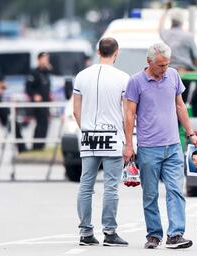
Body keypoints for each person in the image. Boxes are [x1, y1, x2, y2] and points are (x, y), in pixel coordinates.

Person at [124, 42, 197, 249]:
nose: (164, 69)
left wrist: (191, 133)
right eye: (160, 65)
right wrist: (129, 145)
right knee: (150, 194)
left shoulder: (173, 76)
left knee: (176, 190)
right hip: (149, 148)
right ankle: (153, 235)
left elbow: (180, 105)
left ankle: (175, 234)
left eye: (167, 64)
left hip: (173, 145)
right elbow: (129, 114)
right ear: (149, 62)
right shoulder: (135, 82)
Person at [73, 37, 129, 247]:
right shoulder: (123, 78)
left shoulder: (81, 76)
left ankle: (86, 232)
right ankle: (110, 231)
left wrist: (85, 129)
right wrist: (128, 138)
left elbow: (75, 110)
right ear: (117, 52)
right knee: (111, 186)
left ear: (98, 51)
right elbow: (126, 111)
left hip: (89, 136)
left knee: (86, 185)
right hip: (112, 136)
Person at [159, 5, 197, 102]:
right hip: (185, 73)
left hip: (168, 73)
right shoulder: (188, 36)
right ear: (182, 22)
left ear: (171, 21)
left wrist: (165, 11)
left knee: (170, 102)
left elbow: (160, 28)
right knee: (182, 102)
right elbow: (196, 56)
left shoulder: (166, 35)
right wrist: (196, 69)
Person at [26, 52, 52, 150]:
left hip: (46, 103)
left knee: (45, 124)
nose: (46, 61)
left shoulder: (47, 72)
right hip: (37, 104)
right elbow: (28, 88)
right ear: (39, 59)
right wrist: (34, 95)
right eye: (44, 59)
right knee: (40, 124)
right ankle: (36, 146)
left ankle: (41, 145)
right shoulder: (34, 72)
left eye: (47, 59)